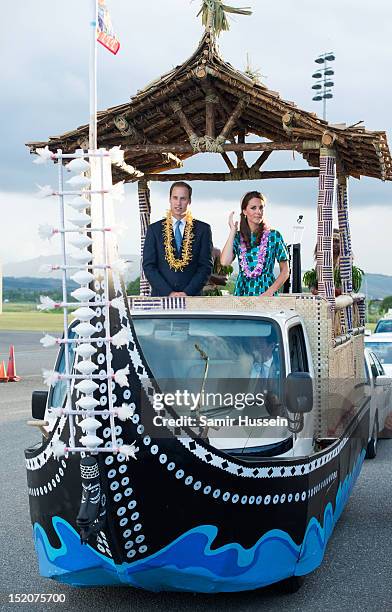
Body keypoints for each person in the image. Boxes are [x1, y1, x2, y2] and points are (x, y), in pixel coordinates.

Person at [142, 182, 213, 297]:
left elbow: (205, 267)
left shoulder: (203, 229)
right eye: (175, 198)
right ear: (169, 199)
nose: (178, 203)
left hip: (192, 298)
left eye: (183, 198)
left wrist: (187, 293)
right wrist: (168, 293)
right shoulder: (154, 230)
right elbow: (149, 266)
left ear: (189, 201)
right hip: (162, 298)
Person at [220, 191, 289, 296]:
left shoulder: (274, 236)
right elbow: (224, 261)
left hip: (266, 292)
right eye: (253, 208)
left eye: (261, 208)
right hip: (242, 293)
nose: (258, 211)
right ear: (244, 211)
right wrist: (233, 231)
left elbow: (285, 271)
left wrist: (269, 293)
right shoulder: (238, 237)